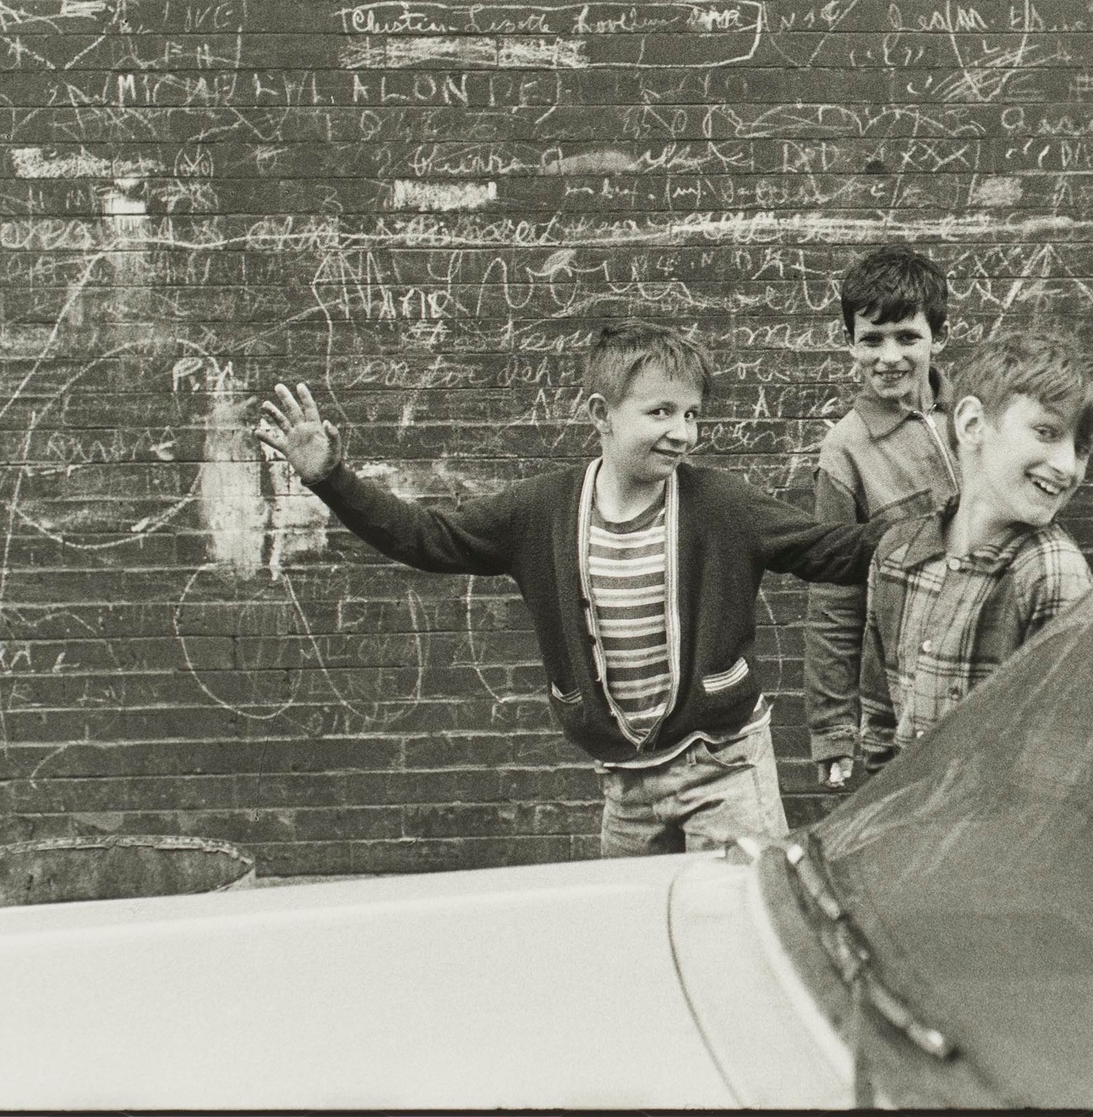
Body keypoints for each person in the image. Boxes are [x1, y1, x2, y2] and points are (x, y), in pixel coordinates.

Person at [253, 320, 888, 857]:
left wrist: (947, 522)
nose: (683, 432)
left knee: (731, 924)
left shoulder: (720, 505)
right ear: (601, 416)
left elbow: (831, 551)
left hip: (724, 767)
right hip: (627, 783)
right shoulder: (546, 511)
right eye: (660, 411)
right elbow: (429, 538)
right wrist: (332, 479)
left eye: (691, 414)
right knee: (632, 937)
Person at [858, 328, 1093, 771]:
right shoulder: (898, 554)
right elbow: (881, 718)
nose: (1065, 466)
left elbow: (1062, 758)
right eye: (1046, 431)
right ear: (972, 425)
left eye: (1081, 449)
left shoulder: (1051, 571)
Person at [804, 245, 961, 791]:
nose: (888, 356)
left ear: (937, 337)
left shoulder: (977, 416)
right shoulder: (844, 452)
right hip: (903, 693)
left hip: (990, 669)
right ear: (850, 343)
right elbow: (833, 598)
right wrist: (831, 728)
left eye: (907, 338)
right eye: (871, 339)